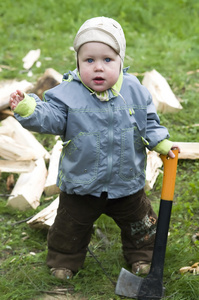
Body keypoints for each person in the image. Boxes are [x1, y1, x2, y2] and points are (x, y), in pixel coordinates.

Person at [10, 16, 180, 280]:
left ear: (121, 60)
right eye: (89, 60)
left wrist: (161, 142)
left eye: (107, 60)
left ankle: (143, 256)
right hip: (82, 182)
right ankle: (64, 261)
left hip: (126, 181)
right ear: (78, 62)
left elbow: (148, 122)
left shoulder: (135, 91)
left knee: (141, 224)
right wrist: (29, 109)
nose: (98, 68)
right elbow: (51, 118)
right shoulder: (67, 94)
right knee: (69, 226)